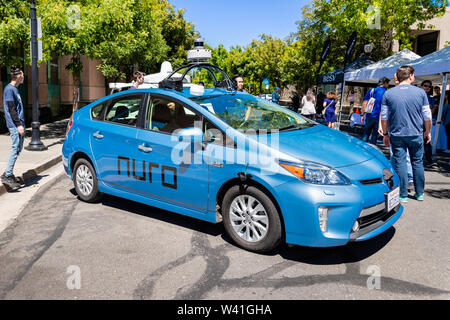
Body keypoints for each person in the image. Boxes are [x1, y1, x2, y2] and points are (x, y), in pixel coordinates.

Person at [380, 65, 432, 203]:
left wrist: (385, 133)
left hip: (397, 134)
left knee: (401, 163)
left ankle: (403, 195)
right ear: (410, 76)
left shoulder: (388, 93)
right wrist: (428, 131)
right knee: (417, 162)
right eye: (414, 75)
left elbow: (384, 117)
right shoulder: (421, 93)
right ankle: (419, 193)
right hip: (416, 133)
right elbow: (427, 115)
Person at [1, 67, 26, 189]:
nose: (24, 76)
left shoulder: (15, 89)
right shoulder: (9, 89)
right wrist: (18, 125)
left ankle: (8, 173)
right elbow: (11, 109)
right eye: (22, 74)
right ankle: (7, 175)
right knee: (15, 148)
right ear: (18, 76)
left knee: (18, 149)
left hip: (19, 123)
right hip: (15, 124)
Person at [361, 77, 390, 145]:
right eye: (387, 83)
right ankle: (371, 151)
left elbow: (365, 102)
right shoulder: (386, 92)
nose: (388, 85)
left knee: (365, 134)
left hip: (369, 115)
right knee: (374, 135)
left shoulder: (371, 90)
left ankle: (361, 150)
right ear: (385, 83)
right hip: (379, 117)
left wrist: (362, 114)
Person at [421, 80, 435, 166]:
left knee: (426, 141)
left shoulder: (430, 98)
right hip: (416, 121)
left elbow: (432, 111)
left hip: (426, 122)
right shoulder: (417, 95)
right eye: (425, 85)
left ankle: (429, 159)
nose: (427, 87)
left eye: (429, 86)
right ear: (421, 86)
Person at [442, 90, 450, 154]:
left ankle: (449, 148)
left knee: (448, 135)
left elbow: (443, 112)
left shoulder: (447, 104)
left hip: (448, 122)